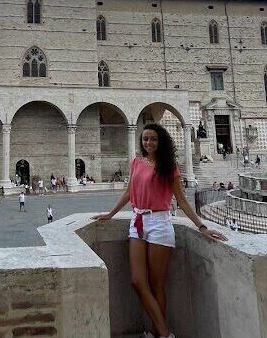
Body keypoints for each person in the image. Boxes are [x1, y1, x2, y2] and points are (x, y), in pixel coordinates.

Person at [92, 123, 226, 338]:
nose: (149, 143)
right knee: (137, 281)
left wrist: (202, 226)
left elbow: (181, 200)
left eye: (153, 139)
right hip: (137, 222)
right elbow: (129, 192)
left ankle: (158, 333)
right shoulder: (136, 162)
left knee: (157, 285)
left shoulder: (169, 165)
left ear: (160, 141)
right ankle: (165, 333)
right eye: (145, 139)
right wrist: (110, 214)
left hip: (159, 223)